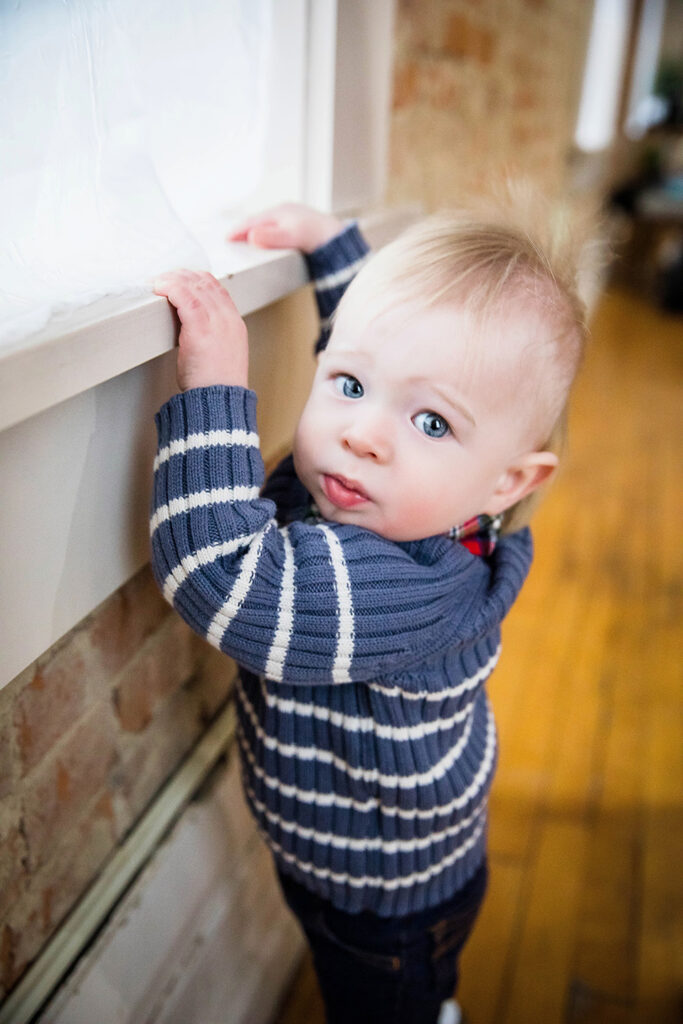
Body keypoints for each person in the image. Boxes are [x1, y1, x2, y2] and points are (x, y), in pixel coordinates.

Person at [151, 196, 588, 1024]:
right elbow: (377, 350)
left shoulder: (404, 588)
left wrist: (214, 385)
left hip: (384, 909)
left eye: (432, 422)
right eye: (346, 386)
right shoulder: (411, 498)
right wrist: (329, 249)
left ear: (508, 482)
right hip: (356, 866)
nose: (363, 435)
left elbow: (222, 580)